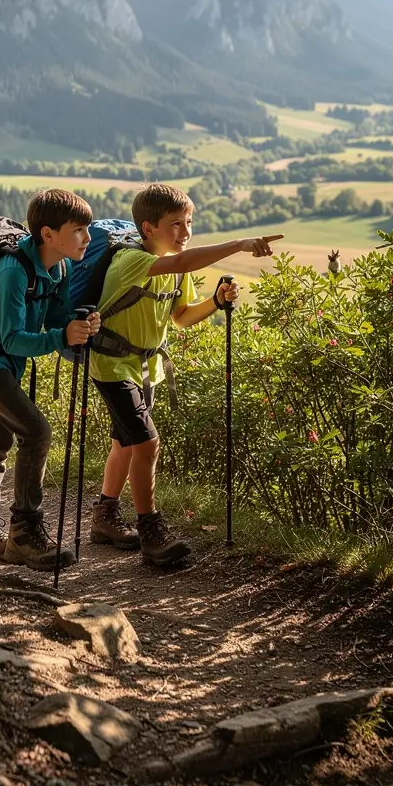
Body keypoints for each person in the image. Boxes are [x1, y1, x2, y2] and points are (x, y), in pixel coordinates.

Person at [89, 183, 283, 565]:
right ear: (148, 228)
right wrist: (239, 243)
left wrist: (214, 301)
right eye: (175, 224)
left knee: (126, 444)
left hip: (147, 370)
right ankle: (151, 532)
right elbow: (182, 262)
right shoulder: (133, 261)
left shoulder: (175, 272)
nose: (186, 232)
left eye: (189, 222)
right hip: (112, 366)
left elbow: (180, 318)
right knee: (146, 444)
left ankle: (105, 517)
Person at [0, 189, 100, 571]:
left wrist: (76, 325)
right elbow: (13, 337)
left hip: (6, 362)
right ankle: (23, 532)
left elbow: (53, 320)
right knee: (36, 432)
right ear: (48, 234)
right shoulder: (12, 272)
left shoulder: (59, 267)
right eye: (80, 229)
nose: (87, 237)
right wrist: (61, 336)